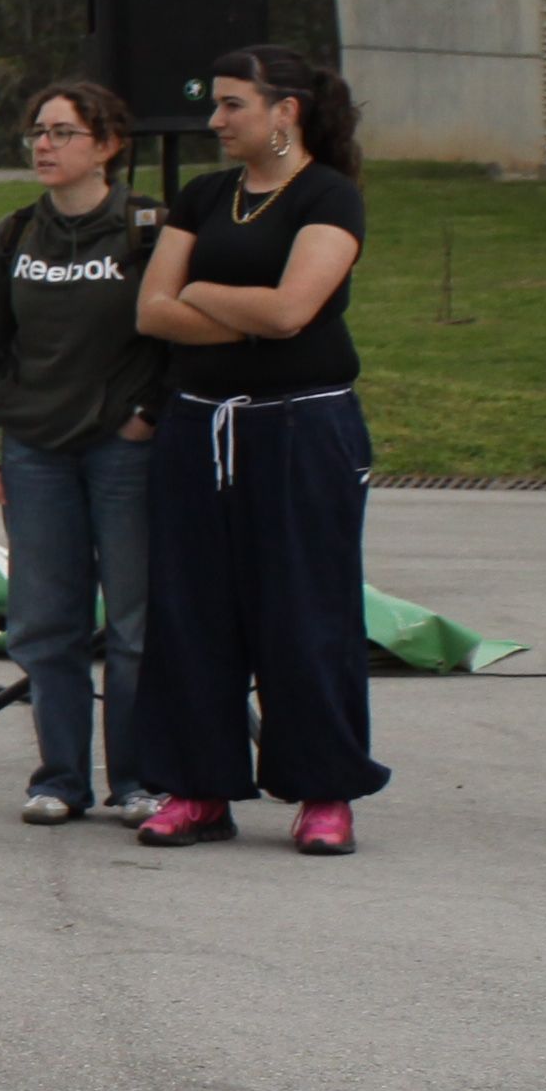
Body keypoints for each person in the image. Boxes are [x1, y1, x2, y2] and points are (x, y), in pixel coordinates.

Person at [132, 46, 375, 856]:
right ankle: (197, 787)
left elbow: (293, 312)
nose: (215, 120)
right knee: (190, 610)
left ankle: (323, 789)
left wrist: (203, 293)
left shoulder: (328, 197)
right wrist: (236, 308)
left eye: (233, 104)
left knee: (306, 610)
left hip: (302, 429)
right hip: (199, 428)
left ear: (286, 112)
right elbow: (152, 312)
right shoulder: (203, 196)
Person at [0, 80, 164, 826]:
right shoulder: (14, 236)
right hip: (35, 455)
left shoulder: (148, 229)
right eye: (36, 133)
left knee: (138, 626)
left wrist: (149, 416)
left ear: (106, 145)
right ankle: (61, 779)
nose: (44, 146)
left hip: (123, 456)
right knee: (48, 625)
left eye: (62, 133)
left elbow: (178, 337)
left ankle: (139, 779)